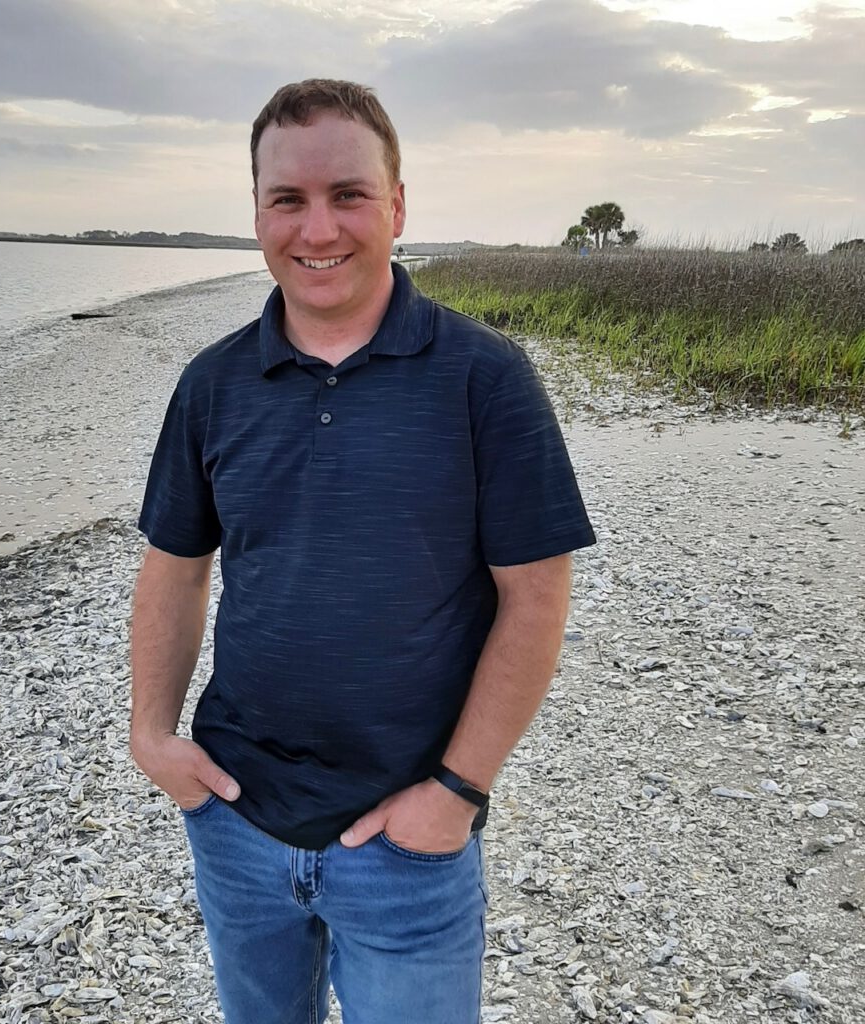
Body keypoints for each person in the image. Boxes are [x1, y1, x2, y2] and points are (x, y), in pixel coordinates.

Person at [131, 79, 596, 1024]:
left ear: (395, 205)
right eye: (287, 200)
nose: (317, 228)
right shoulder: (213, 384)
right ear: (257, 211)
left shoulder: (486, 379)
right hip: (235, 824)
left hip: (406, 843)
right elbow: (176, 566)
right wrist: (152, 735)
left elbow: (536, 599)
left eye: (347, 195)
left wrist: (457, 792)